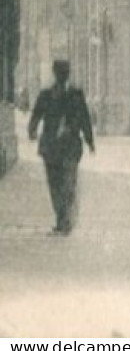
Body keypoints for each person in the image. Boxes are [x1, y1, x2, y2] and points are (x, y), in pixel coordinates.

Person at [26, 60, 96, 236]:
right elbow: (36, 114)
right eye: (60, 72)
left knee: (69, 183)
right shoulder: (46, 95)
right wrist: (32, 130)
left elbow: (84, 118)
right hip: (51, 148)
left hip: (70, 147)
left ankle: (65, 221)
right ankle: (61, 218)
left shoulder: (76, 95)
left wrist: (90, 140)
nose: (62, 75)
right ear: (55, 73)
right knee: (55, 184)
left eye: (64, 72)